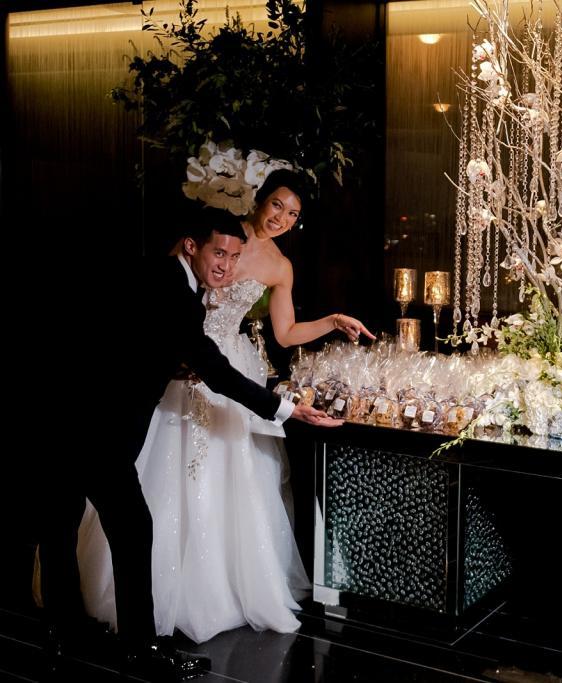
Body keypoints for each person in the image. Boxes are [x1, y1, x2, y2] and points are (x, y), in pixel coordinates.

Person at [78, 171, 373, 645]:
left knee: (229, 477)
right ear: (261, 200)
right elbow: (163, 299)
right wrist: (173, 357)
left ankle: (221, 589)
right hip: (180, 363)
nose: (282, 218)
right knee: (152, 473)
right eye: (277, 205)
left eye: (293, 214)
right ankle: (140, 604)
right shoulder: (215, 233)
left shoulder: (280, 266)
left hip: (223, 363)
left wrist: (330, 321)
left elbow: (284, 334)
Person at [40, 210, 337, 681]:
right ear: (192, 245)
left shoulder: (154, 274)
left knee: (61, 521)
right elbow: (214, 370)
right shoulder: (174, 289)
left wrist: (164, 361)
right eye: (218, 252)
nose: (225, 266)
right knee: (132, 527)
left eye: (234, 257)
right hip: (97, 426)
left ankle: (64, 628)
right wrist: (284, 409)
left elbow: (129, 332)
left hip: (68, 415)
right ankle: (139, 649)